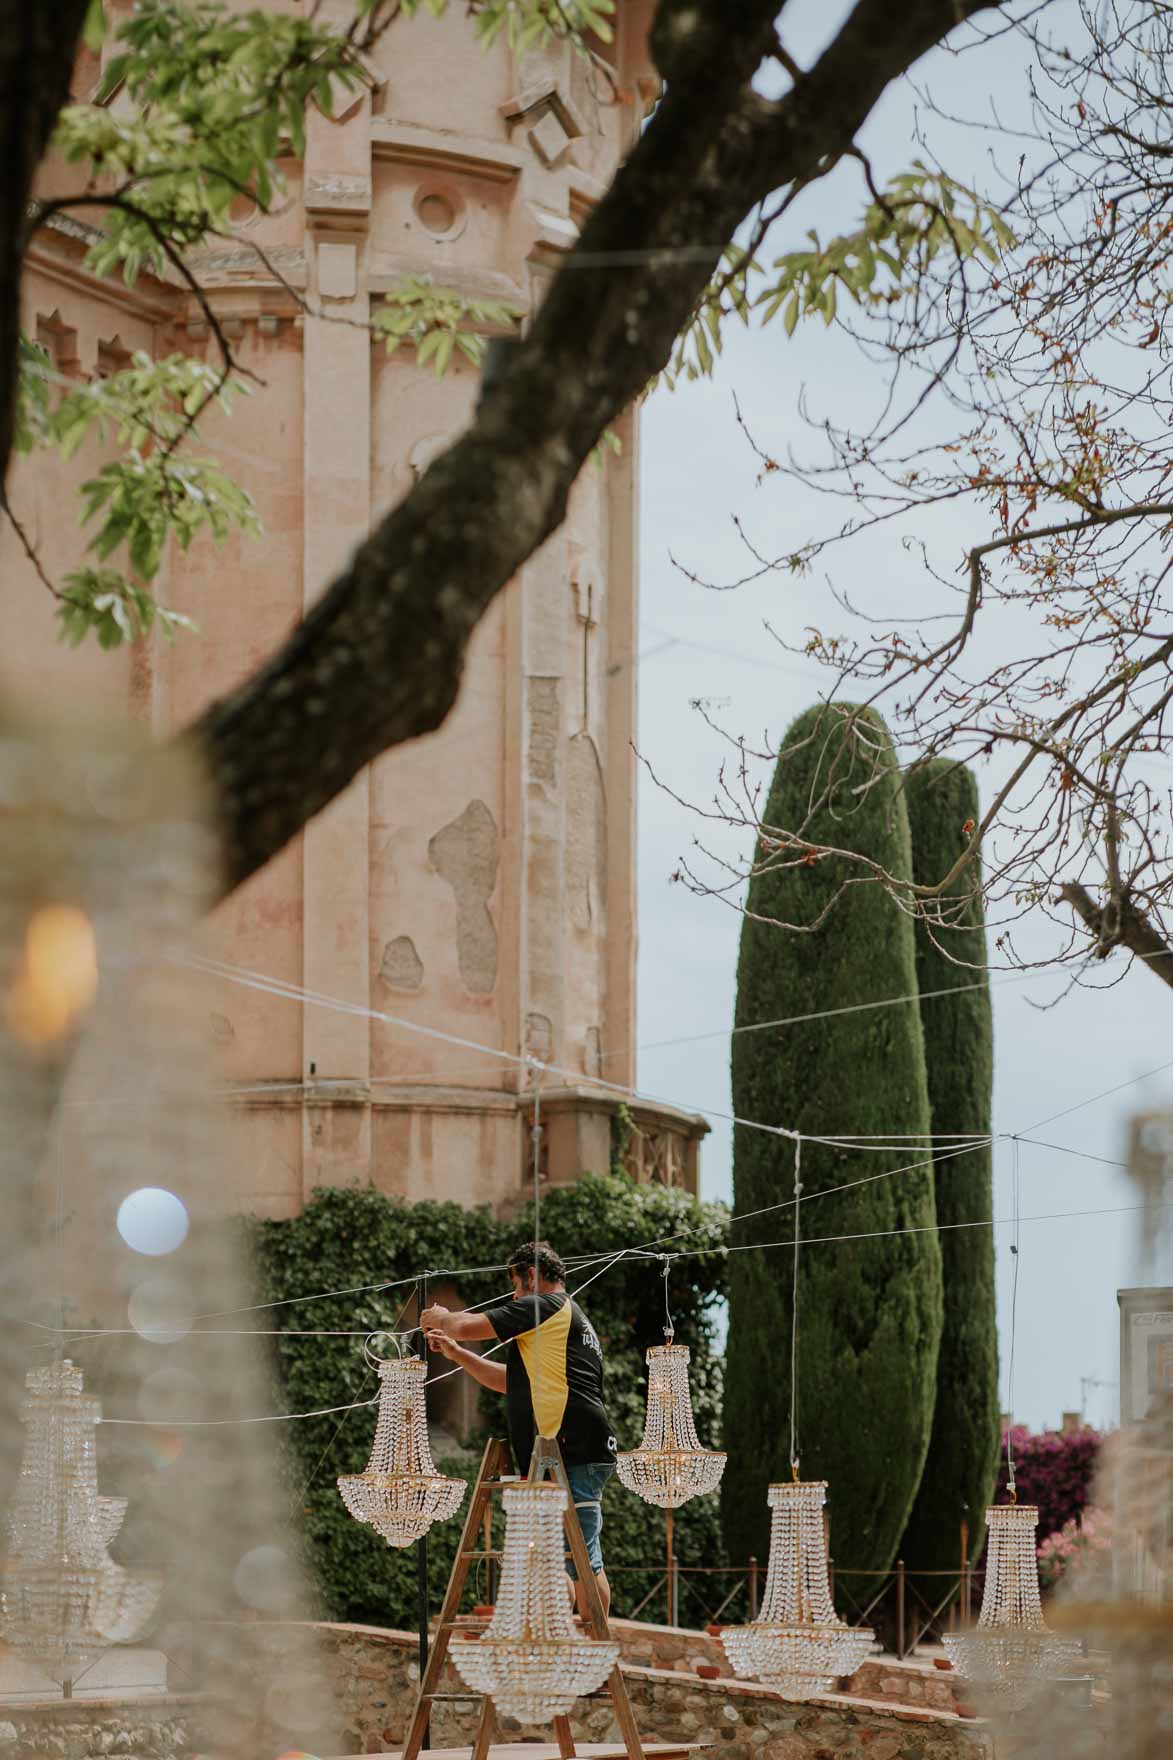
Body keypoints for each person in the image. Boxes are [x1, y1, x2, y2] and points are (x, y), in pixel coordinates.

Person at [421, 1240, 617, 1619]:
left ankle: (595, 1663)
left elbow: (467, 1325)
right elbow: (507, 1381)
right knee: (554, 1561)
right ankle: (563, 1650)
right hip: (561, 1453)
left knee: (582, 1563)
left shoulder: (546, 1306)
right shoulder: (559, 1323)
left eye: (515, 1285)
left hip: (572, 1450)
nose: (513, 1295)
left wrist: (441, 1317)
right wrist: (458, 1354)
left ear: (531, 1275)